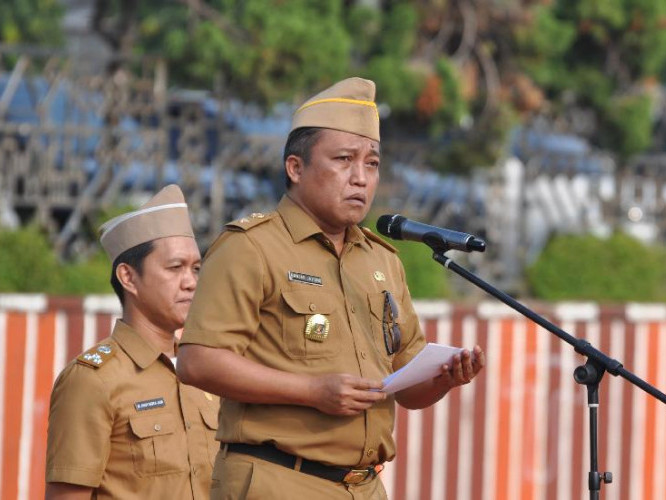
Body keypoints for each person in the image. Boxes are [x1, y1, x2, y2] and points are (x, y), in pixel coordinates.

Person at [176, 78, 485, 500]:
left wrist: (443, 378)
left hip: (366, 485)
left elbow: (405, 383)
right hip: (279, 480)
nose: (360, 178)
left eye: (372, 164)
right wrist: (312, 391)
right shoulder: (251, 247)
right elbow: (197, 362)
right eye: (343, 160)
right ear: (295, 168)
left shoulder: (382, 260)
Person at [45, 185, 219, 499]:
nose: (192, 282)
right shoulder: (93, 380)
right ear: (128, 277)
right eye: (175, 267)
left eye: (196, 268)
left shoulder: (205, 372)